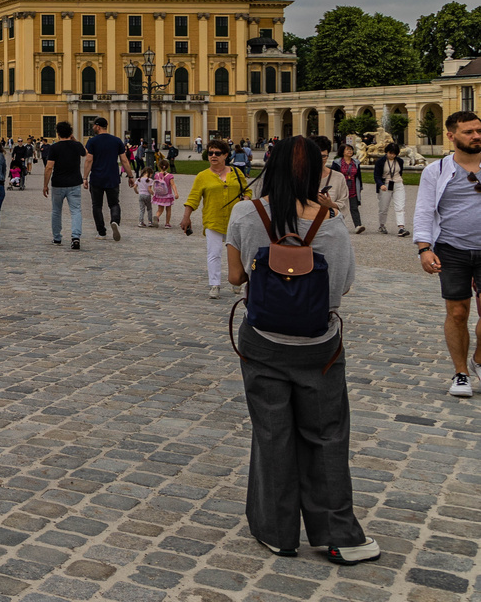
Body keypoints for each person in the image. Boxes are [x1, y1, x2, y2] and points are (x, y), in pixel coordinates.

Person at [225, 136, 374, 566]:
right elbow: (341, 287)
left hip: (264, 339)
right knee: (327, 435)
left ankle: (277, 532)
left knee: (271, 433)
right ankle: (339, 535)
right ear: (317, 171)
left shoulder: (245, 213)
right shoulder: (331, 223)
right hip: (318, 345)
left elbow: (235, 277)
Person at [414, 111, 481, 397]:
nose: (477, 136)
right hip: (451, 249)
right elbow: (425, 211)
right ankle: (461, 373)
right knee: (457, 313)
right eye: (469, 132)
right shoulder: (436, 171)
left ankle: (478, 360)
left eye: (479, 130)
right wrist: (424, 249)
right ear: (451, 136)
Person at [180, 137, 250, 299]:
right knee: (214, 253)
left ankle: (237, 281)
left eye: (217, 153)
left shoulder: (237, 173)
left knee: (239, 254)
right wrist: (186, 217)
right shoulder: (202, 176)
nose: (213, 156)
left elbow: (247, 191)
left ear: (226, 155)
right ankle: (215, 284)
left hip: (236, 220)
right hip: (213, 219)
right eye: (210, 153)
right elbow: (193, 199)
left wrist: (246, 199)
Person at [83, 119, 134, 242]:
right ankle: (115, 221)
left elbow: (89, 160)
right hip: (112, 177)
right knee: (114, 203)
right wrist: (131, 176)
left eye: (94, 125)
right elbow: (124, 160)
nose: (93, 128)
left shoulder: (92, 141)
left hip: (97, 178)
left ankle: (101, 232)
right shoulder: (116, 141)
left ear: (98, 126)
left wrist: (85, 177)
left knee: (97, 205)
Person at [42, 122, 85, 250]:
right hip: (74, 183)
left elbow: (49, 167)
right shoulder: (77, 145)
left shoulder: (54, 148)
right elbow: (85, 152)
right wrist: (74, 139)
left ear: (58, 133)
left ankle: (57, 238)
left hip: (58, 184)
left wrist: (45, 185)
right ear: (70, 133)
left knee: (56, 211)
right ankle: (75, 237)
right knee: (76, 210)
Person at [375, 142, 408, 236]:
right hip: (385, 185)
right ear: (386, 152)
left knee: (400, 206)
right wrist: (381, 184)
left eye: (394, 154)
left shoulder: (399, 161)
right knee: (383, 207)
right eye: (390, 153)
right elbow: (376, 175)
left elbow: (400, 172)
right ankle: (382, 225)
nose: (392, 155)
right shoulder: (380, 162)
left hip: (398, 183)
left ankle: (401, 227)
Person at [337, 141, 365, 234]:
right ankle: (337, 226)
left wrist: (360, 187)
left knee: (354, 207)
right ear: (342, 151)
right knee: (340, 207)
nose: (350, 151)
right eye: (347, 149)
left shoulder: (356, 162)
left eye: (351, 150)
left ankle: (358, 225)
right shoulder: (337, 163)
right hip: (341, 188)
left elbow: (359, 176)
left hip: (352, 187)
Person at [150, 163, 178, 227]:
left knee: (160, 209)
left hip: (159, 194)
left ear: (159, 167)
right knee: (168, 209)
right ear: (168, 167)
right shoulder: (170, 176)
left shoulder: (156, 175)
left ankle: (156, 216)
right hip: (167, 195)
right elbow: (173, 185)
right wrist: (176, 193)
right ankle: (167, 223)